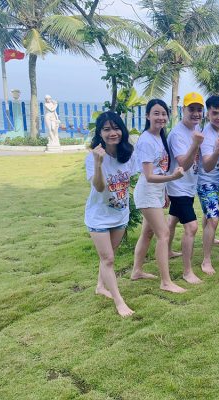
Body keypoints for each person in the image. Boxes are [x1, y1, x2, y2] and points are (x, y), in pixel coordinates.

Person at [131, 99, 186, 293]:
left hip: (155, 192)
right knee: (164, 234)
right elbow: (148, 176)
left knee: (148, 233)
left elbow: (159, 169)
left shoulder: (159, 137)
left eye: (163, 113)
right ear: (147, 116)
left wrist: (165, 191)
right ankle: (166, 282)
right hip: (147, 193)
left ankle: (136, 271)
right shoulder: (146, 140)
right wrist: (173, 178)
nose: (161, 117)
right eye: (156, 113)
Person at [84, 111, 136, 317]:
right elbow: (99, 187)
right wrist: (98, 164)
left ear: (122, 130)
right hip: (99, 216)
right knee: (108, 259)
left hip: (120, 213)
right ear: (100, 133)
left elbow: (130, 179)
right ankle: (119, 302)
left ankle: (100, 286)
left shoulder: (128, 154)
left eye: (116, 128)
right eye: (106, 129)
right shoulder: (93, 158)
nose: (112, 133)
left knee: (108, 255)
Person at [166, 92, 205, 284]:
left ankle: (166, 250)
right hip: (178, 187)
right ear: (183, 110)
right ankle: (187, 271)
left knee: (172, 220)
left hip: (188, 186)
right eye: (192, 109)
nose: (196, 113)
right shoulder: (177, 134)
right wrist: (196, 144)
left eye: (199, 109)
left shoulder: (196, 129)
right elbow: (184, 164)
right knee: (191, 226)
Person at [196, 95, 219, 275]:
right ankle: (206, 260)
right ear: (207, 114)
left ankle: (210, 236)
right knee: (213, 219)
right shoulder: (207, 135)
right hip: (206, 182)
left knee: (208, 216)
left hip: (218, 181)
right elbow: (207, 166)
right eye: (215, 113)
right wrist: (217, 151)